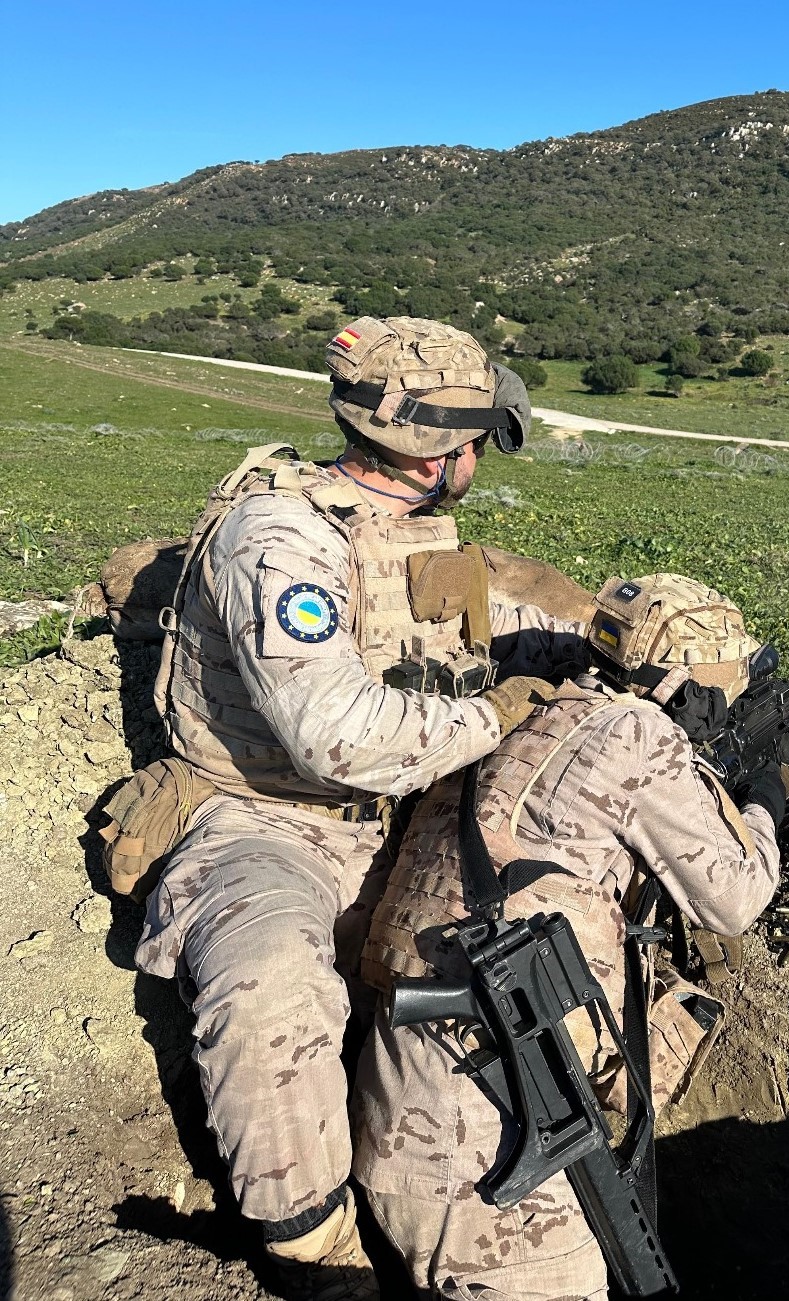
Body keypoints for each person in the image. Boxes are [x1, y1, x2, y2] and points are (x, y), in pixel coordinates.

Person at [125, 317, 588, 1300]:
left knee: (530, 955)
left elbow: (463, 638)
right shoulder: (281, 537)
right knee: (268, 986)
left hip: (406, 815)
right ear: (447, 447)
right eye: (477, 439)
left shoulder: (409, 526)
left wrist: (587, 655)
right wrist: (490, 715)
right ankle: (318, 1249)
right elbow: (336, 733)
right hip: (268, 820)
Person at [352, 573, 788, 1301]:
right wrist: (766, 799)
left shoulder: (525, 703)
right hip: (483, 1151)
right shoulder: (636, 733)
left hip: (406, 1115)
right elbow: (735, 897)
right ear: (686, 689)